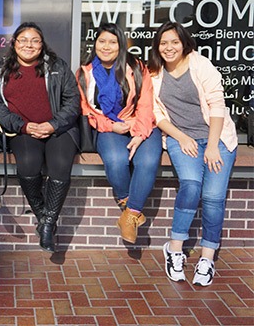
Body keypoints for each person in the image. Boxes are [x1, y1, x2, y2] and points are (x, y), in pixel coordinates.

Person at [149, 22, 237, 287]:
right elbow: (157, 114)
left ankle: (207, 257)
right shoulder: (154, 73)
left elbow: (216, 105)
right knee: (190, 185)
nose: (169, 47)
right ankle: (175, 249)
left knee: (213, 197)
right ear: (157, 46)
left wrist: (211, 146)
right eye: (164, 43)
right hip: (180, 138)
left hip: (216, 137)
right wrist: (182, 137)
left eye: (174, 42)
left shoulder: (201, 65)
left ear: (184, 42)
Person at [0, 22, 80, 252]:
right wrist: (25, 126)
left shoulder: (57, 66)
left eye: (35, 40)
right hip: (23, 130)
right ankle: (43, 216)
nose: (29, 45)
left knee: (60, 164)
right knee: (28, 165)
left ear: (42, 44)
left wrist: (52, 124)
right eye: (23, 40)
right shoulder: (2, 68)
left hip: (58, 129)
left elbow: (73, 101)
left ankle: (48, 224)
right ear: (14, 43)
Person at [76, 23, 162, 244]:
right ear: (94, 43)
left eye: (112, 42)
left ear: (120, 45)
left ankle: (130, 216)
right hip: (108, 127)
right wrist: (110, 126)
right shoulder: (84, 73)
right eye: (102, 41)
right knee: (116, 160)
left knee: (148, 161)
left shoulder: (137, 67)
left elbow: (145, 103)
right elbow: (86, 109)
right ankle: (128, 206)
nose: (106, 47)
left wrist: (139, 133)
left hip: (141, 125)